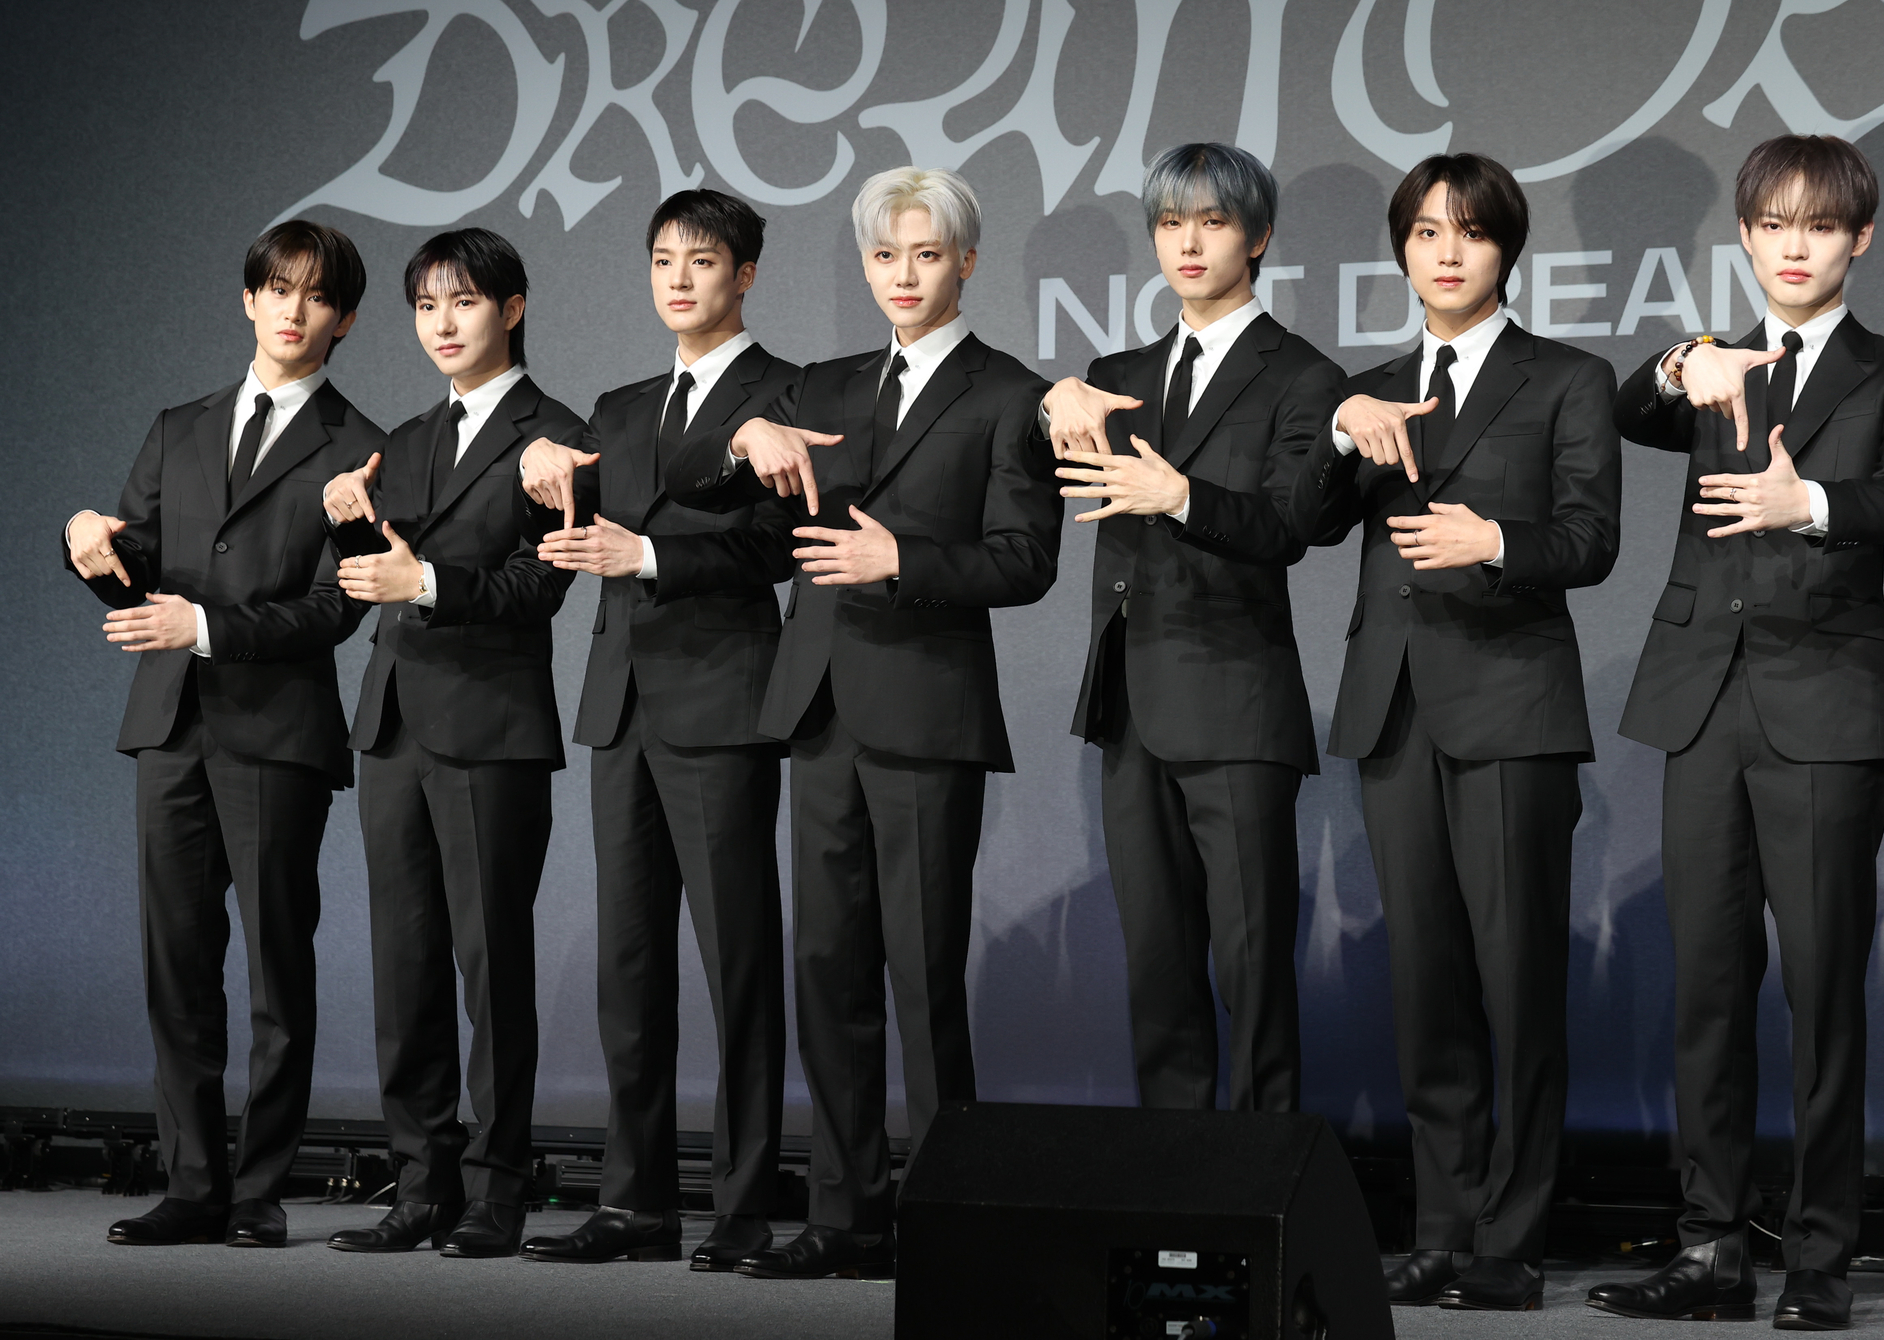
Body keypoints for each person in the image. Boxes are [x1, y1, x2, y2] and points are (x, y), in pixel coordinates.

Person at [640, 166, 1063, 1280]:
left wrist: (900, 560)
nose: (903, 275)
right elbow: (681, 466)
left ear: (965, 261)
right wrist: (741, 448)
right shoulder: (820, 386)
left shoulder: (1007, 393)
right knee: (827, 967)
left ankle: (947, 1215)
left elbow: (1028, 562)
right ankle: (844, 1213)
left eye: (925, 255)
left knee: (922, 976)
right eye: (885, 256)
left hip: (927, 711)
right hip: (818, 704)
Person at [1585, 134, 1884, 1332]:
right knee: (1704, 986)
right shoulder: (1709, 365)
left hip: (1823, 709)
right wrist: (1681, 359)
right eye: (1773, 224)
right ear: (1743, 237)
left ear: (1859, 240)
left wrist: (1812, 502)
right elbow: (1625, 407)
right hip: (1701, 698)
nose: (1794, 245)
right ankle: (1706, 1248)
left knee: (1820, 993)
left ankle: (1821, 1262)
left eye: (1819, 226)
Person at [1292, 154, 1620, 1311]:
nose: (1444, 250)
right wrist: (1337, 428)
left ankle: (1510, 1234)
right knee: (1423, 981)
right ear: (1399, 249)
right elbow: (1301, 521)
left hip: (1511, 704)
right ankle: (1437, 1222)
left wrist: (1494, 542)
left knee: (1514, 977)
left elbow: (1589, 538)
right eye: (1425, 230)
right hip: (1392, 711)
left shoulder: (1567, 377)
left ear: (1504, 251)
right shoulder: (1372, 385)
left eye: (1469, 232)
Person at [64, 221, 382, 1249]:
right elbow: (136, 562)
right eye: (276, 287)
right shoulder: (179, 425)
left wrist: (203, 626)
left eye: (315, 294)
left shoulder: (355, 446)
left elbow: (338, 606)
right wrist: (87, 546)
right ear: (247, 298)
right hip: (170, 725)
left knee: (277, 966)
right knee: (177, 960)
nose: (292, 307)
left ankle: (260, 1186)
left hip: (278, 731)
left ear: (343, 319)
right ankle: (192, 1181)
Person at [515, 190, 800, 1270]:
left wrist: (648, 557)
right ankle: (633, 1201)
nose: (679, 278)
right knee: (629, 962)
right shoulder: (619, 403)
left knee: (735, 958)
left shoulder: (785, 394)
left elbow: (777, 542)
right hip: (621, 699)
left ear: (745, 274)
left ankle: (741, 1203)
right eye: (663, 260)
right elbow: (552, 503)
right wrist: (541, 469)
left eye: (704, 260)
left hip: (723, 699)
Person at [1042, 142, 1342, 1115]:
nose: (1187, 241)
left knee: (1252, 968)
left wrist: (1180, 494)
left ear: (1254, 236)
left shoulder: (1301, 375)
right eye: (1171, 223)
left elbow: (1289, 526)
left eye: (1211, 221)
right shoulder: (1114, 375)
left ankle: (1257, 1180)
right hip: (1131, 702)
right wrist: (1047, 395)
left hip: (1236, 703)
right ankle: (1170, 1176)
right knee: (1155, 965)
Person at [316, 229, 584, 1259]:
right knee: (406, 966)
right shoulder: (410, 435)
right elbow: (375, 571)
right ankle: (418, 1180)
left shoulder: (554, 433)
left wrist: (420, 579)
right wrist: (348, 522)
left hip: (490, 730)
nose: (442, 323)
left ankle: (496, 1187)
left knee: (489, 964)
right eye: (426, 305)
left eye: (463, 303)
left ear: (510, 309)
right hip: (393, 726)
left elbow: (538, 584)